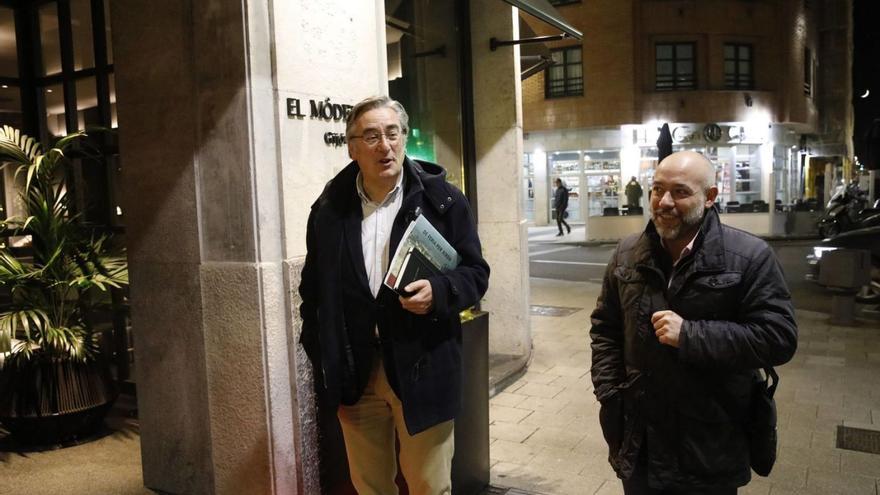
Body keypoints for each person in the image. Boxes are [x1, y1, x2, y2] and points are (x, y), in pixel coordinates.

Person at [298, 95, 490, 495]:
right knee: (368, 486)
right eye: (371, 136)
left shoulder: (444, 202)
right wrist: (322, 355)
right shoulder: (329, 211)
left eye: (392, 133)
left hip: (423, 365)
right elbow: (312, 290)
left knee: (429, 485)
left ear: (404, 138)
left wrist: (439, 291)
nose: (384, 146)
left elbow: (476, 274)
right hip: (356, 373)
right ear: (351, 147)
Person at [589, 151, 798, 494]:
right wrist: (609, 392)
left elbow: (778, 337)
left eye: (681, 192)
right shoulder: (627, 253)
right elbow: (605, 328)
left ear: (711, 197)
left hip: (709, 444)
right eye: (657, 189)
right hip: (639, 442)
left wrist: (690, 334)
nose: (664, 202)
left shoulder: (749, 257)